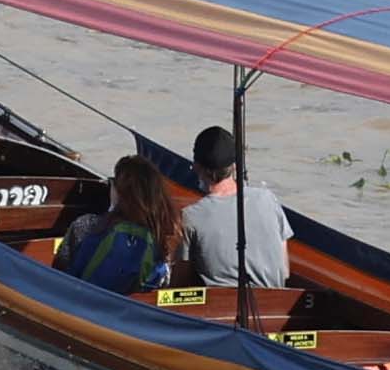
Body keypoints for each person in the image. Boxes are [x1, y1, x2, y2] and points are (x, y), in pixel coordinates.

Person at [180, 126, 291, 288]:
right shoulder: (268, 199)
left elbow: (180, 285)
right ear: (235, 166)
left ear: (197, 167)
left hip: (220, 307)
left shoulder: (190, 216)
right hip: (275, 303)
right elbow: (285, 271)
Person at [57, 155, 181, 294]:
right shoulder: (167, 235)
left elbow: (61, 269)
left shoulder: (86, 225)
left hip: (84, 303)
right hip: (131, 311)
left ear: (118, 191)